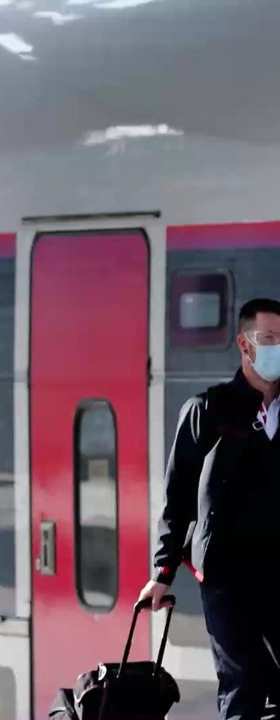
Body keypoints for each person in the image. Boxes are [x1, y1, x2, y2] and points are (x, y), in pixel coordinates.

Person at [141, 297, 280, 719]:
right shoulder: (208, 410)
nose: (278, 348)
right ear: (245, 343)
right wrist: (163, 573)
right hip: (226, 576)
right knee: (244, 686)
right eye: (269, 338)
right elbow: (177, 496)